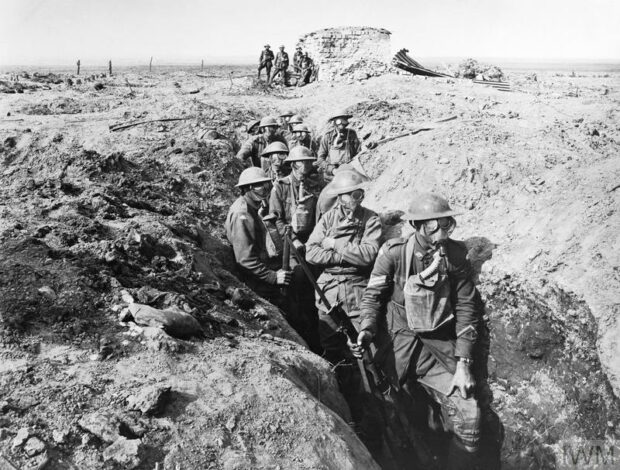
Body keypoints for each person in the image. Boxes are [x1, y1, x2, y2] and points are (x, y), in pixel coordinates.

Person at [353, 193, 497, 470]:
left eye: (447, 226)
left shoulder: (455, 256)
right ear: (417, 226)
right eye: (434, 227)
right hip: (396, 351)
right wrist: (366, 330)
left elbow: (467, 308)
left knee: (469, 418)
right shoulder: (394, 253)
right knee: (389, 417)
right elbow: (372, 296)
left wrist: (463, 363)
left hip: (438, 352)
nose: (442, 234)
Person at [305, 169, 383, 448]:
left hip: (357, 294)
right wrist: (344, 252)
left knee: (367, 357)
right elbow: (311, 252)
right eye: (353, 194)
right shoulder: (327, 218)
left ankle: (374, 420)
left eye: (360, 193)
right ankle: (343, 412)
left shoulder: (370, 219)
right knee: (333, 352)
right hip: (328, 294)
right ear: (340, 197)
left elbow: (367, 256)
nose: (358, 198)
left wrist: (334, 244)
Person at [270, 146, 325, 352]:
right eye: (304, 162)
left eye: (310, 162)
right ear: (293, 164)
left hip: (311, 243)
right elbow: (277, 219)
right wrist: (294, 240)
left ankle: (317, 331)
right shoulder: (281, 187)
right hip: (290, 246)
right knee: (297, 286)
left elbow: (320, 217)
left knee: (315, 288)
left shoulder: (313, 185)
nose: (308, 166)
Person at [225, 167, 291, 307]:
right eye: (260, 185)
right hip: (255, 281)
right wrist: (273, 277)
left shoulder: (252, 207)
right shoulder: (242, 214)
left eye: (266, 184)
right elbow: (245, 259)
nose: (265, 189)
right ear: (248, 188)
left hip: (261, 271)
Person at [317, 111, 361, 181]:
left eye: (344, 120)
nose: (342, 123)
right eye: (339, 121)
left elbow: (358, 153)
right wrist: (332, 170)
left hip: (349, 173)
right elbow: (320, 160)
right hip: (332, 176)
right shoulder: (328, 137)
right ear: (334, 122)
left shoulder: (351, 134)